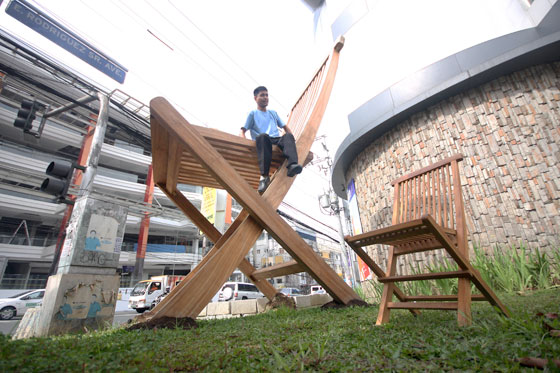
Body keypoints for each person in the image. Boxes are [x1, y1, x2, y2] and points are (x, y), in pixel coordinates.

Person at [239, 86, 302, 193]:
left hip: (276, 140)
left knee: (287, 136)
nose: (265, 97)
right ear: (255, 98)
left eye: (267, 95)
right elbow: (243, 131)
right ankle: (264, 177)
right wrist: (244, 142)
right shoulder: (253, 114)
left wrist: (292, 139)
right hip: (263, 141)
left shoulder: (273, 113)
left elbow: (285, 128)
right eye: (262, 95)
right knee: (263, 136)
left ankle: (292, 165)